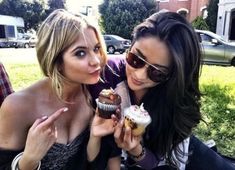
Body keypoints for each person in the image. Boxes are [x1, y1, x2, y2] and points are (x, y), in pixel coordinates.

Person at [87, 12, 235, 170]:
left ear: (172, 75)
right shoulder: (105, 74)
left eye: (157, 72)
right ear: (130, 46)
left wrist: (135, 149)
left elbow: (156, 162)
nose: (139, 75)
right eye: (135, 59)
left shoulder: (173, 100)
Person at [0, 9, 115, 170]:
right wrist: (28, 161)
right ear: (55, 60)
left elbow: (92, 165)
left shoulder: (93, 94)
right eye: (80, 53)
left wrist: (95, 137)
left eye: (96, 48)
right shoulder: (18, 106)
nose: (96, 60)